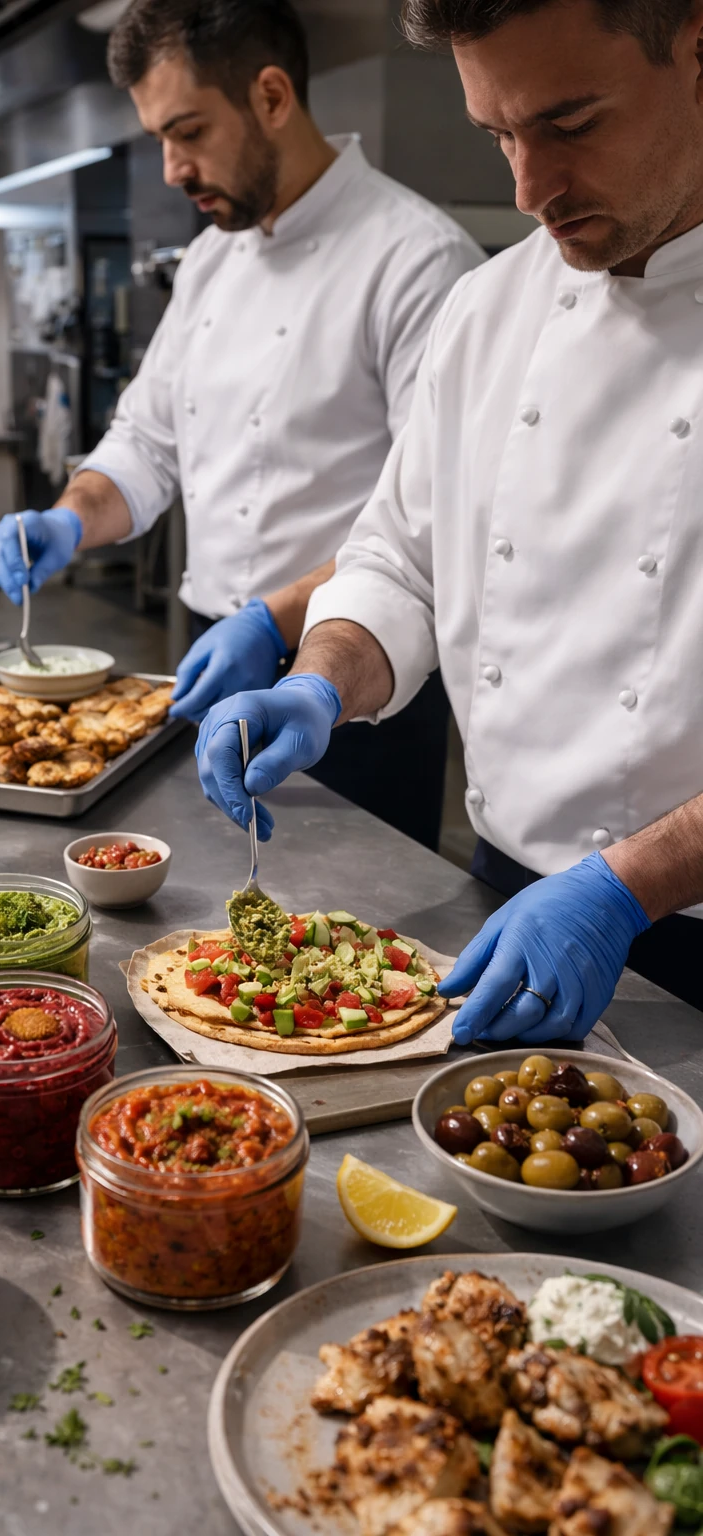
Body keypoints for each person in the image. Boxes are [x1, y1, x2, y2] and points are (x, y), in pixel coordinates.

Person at [195, 0, 703, 1042]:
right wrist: (320, 678)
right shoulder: (487, 309)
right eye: (498, 135)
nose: (529, 189)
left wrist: (630, 885)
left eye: (569, 124)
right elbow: (399, 561)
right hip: (502, 894)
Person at [0, 0, 483, 851]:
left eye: (188, 132)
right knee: (210, 901)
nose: (172, 169)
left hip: (351, 679)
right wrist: (71, 516)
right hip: (214, 652)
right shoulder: (212, 258)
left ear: (272, 96)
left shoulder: (418, 262)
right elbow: (148, 441)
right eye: (159, 139)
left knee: (351, 915)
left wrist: (272, 620)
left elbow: (429, 525)